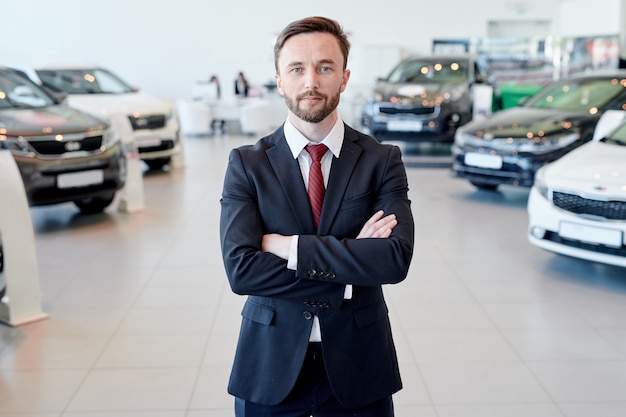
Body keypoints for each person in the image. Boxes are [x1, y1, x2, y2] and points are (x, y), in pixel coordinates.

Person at [220, 16, 414, 417]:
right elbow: (241, 270)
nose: (311, 81)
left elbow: (394, 260)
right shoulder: (246, 164)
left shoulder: (382, 160)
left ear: (343, 78)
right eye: (297, 69)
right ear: (279, 79)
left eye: (325, 67)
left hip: (359, 364)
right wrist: (347, 271)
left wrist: (286, 246)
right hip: (269, 363)